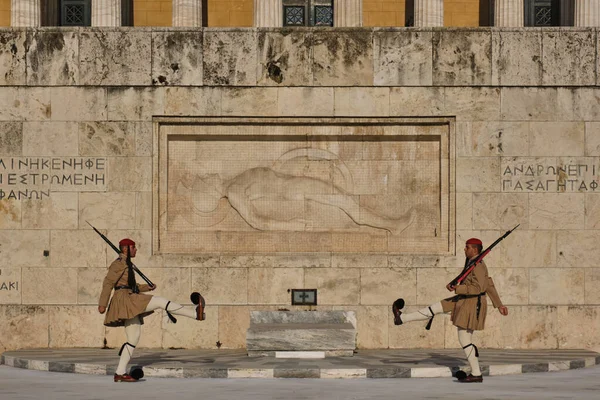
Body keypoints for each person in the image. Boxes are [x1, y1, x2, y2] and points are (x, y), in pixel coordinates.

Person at [392, 238, 509, 383]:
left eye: (467, 247)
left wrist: (458, 289)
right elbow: (484, 283)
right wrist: (455, 283)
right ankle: (401, 318)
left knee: (464, 338)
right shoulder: (472, 262)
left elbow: (480, 288)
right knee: (435, 308)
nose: (464, 249)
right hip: (463, 300)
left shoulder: (478, 265)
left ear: (474, 249)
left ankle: (477, 373)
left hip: (471, 304)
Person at [98, 238, 205, 382]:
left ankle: (120, 373)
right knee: (160, 301)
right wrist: (102, 304)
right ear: (125, 249)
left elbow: (131, 285)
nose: (135, 250)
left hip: (129, 297)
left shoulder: (127, 264)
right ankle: (195, 314)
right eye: (133, 247)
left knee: (133, 338)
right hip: (125, 299)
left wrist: (146, 287)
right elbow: (108, 283)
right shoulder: (118, 264)